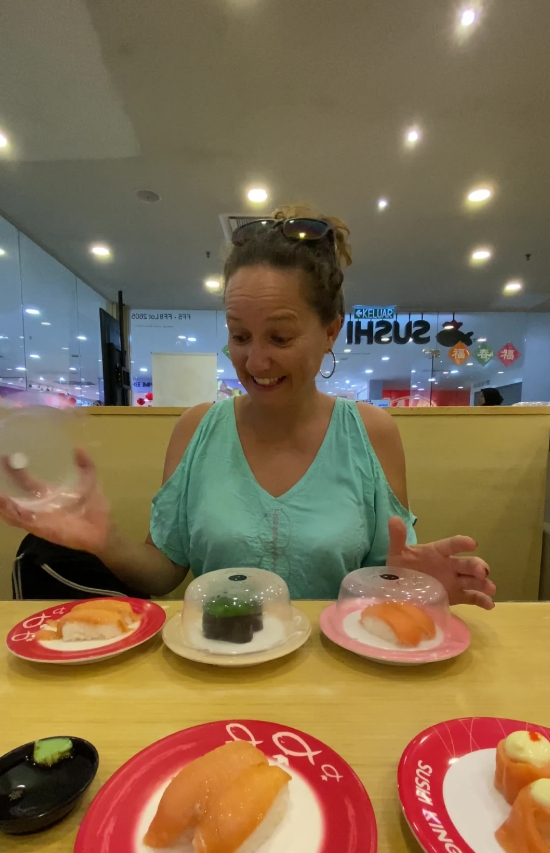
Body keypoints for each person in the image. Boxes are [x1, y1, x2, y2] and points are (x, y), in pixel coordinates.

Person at [0, 207, 496, 608]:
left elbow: (384, 582)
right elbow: (162, 574)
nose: (255, 362)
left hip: (334, 675)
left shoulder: (372, 433)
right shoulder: (196, 429)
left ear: (330, 331)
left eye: (279, 337)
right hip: (217, 665)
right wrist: (105, 540)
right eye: (239, 336)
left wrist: (414, 588)